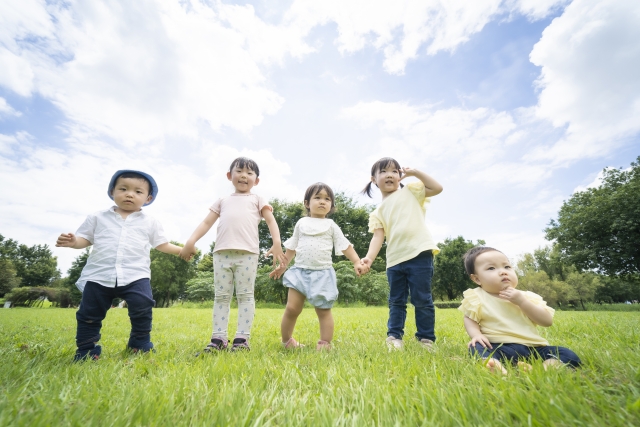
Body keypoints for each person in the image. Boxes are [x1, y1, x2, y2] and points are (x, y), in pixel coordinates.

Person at [56, 170, 183, 361]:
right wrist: (74, 242)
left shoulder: (150, 222)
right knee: (89, 313)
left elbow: (161, 244)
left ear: (148, 198)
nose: (130, 194)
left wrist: (182, 251)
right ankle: (86, 350)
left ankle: (139, 344)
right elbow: (85, 239)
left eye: (138, 192)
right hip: (99, 274)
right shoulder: (97, 217)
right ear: (112, 192)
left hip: (135, 275)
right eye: (123, 189)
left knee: (143, 307)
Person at [180, 157, 285, 352]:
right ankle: (218, 338)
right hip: (221, 254)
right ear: (230, 176)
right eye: (239, 171)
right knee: (221, 296)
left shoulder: (258, 199)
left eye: (250, 173)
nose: (244, 175)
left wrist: (277, 243)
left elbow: (271, 221)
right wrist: (191, 241)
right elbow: (206, 223)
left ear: (257, 180)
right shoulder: (222, 200)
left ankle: (242, 339)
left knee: (245, 295)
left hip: (248, 255)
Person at [270, 183, 369, 351]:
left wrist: (356, 261)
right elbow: (292, 247)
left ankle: (324, 344)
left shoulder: (331, 225)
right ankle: (287, 341)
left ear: (331, 206)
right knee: (292, 308)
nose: (322, 201)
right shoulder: (301, 223)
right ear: (307, 203)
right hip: (299, 272)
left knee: (323, 311)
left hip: (323, 274)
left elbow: (345, 245)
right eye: (317, 197)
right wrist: (283, 265)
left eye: (327, 199)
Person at [361, 158, 443, 351]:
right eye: (383, 171)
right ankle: (394, 337)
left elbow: (437, 188)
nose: (389, 174)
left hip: (419, 253)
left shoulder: (411, 192)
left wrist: (414, 172)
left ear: (400, 176)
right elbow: (377, 238)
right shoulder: (377, 212)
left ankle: (426, 339)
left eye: (394, 171)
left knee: (422, 298)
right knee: (396, 300)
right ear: (374, 179)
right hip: (395, 260)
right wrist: (369, 258)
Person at [460, 246, 581, 374]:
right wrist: (477, 335)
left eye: (507, 267)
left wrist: (522, 302)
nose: (503, 272)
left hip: (534, 348)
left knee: (565, 353)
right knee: (476, 347)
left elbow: (546, 321)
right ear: (477, 279)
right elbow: (469, 318)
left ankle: (546, 369)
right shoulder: (477, 297)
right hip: (498, 347)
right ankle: (496, 367)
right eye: (491, 268)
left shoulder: (528, 297)